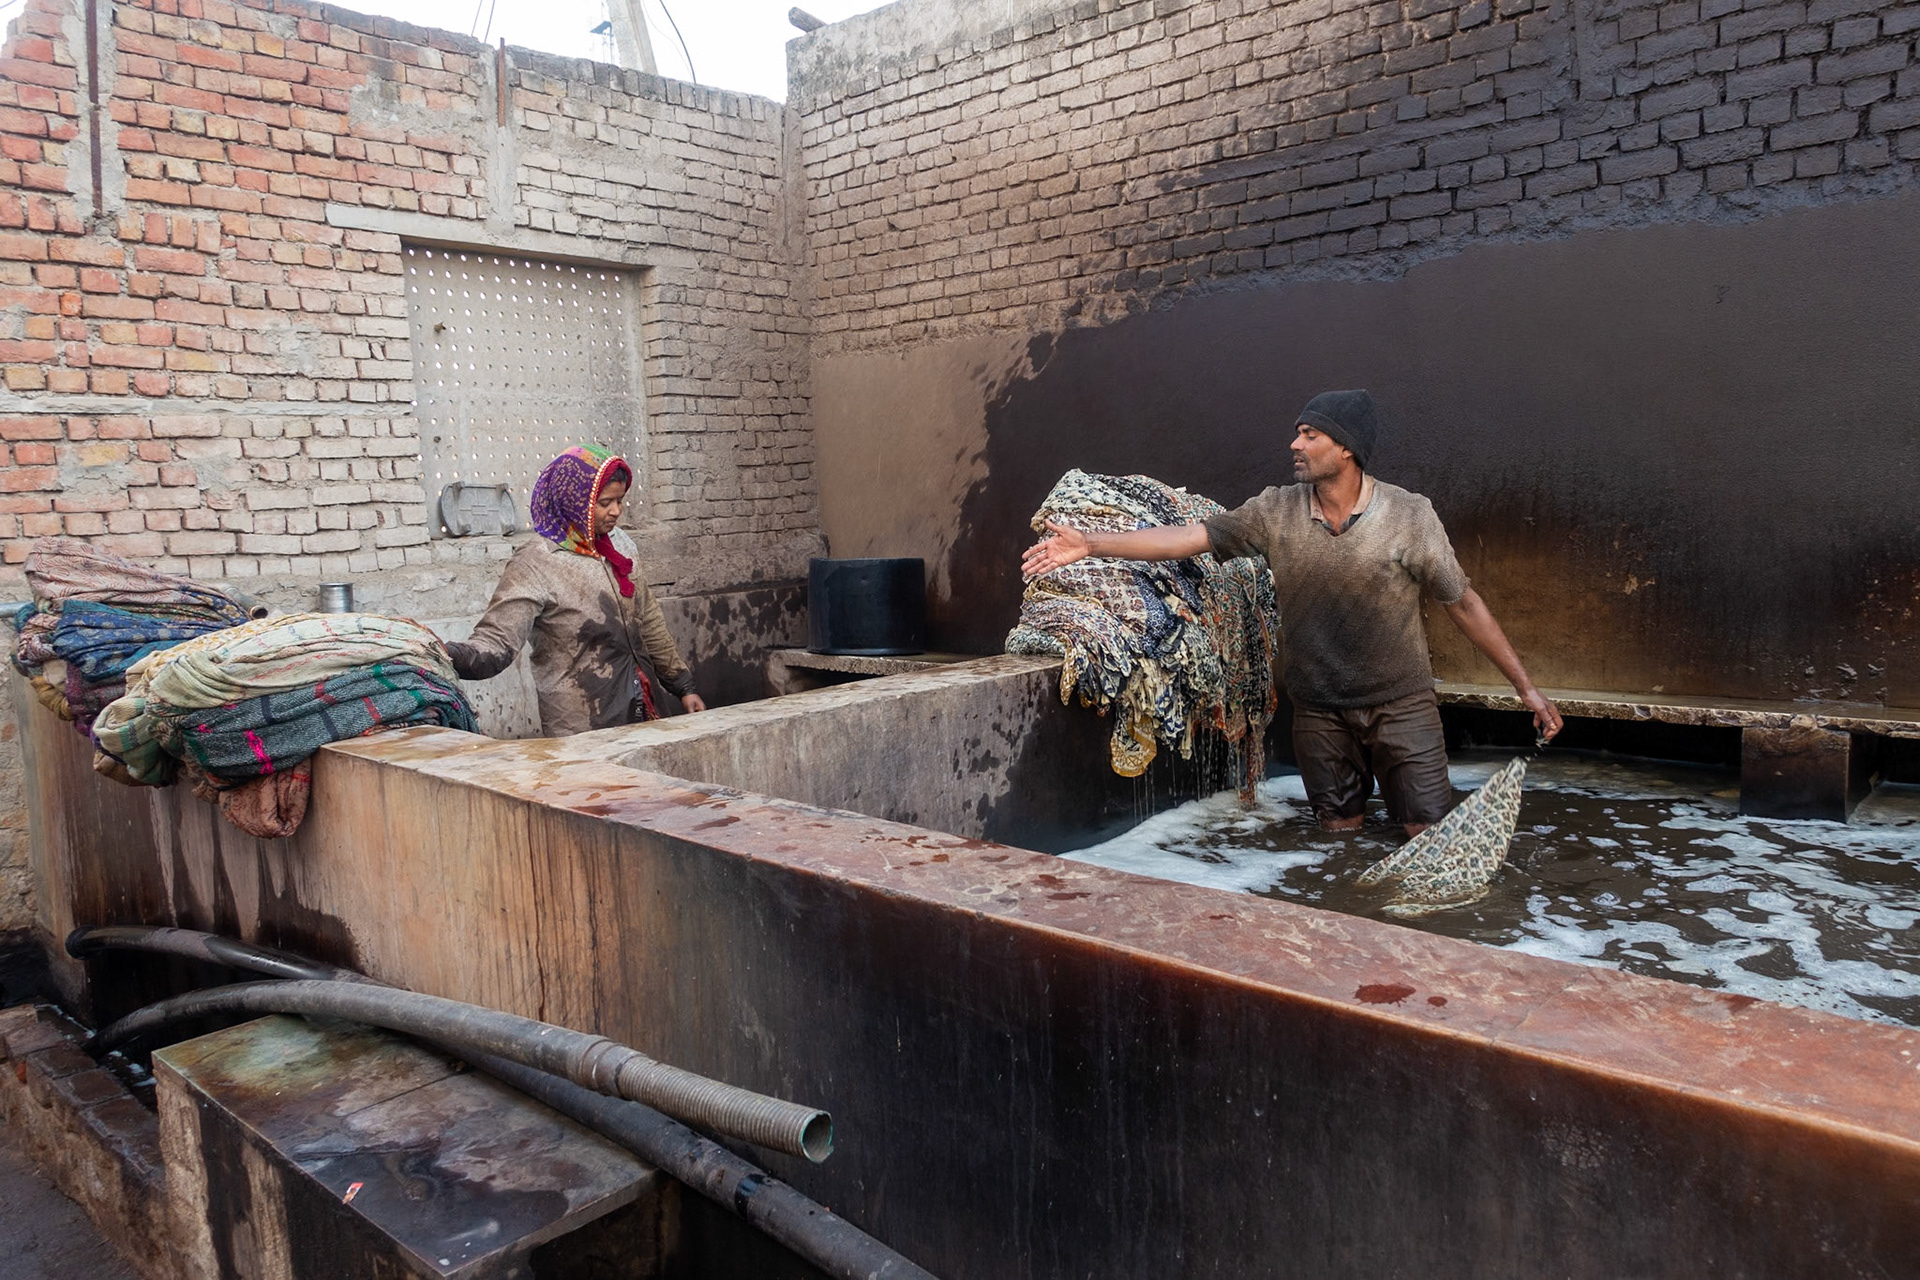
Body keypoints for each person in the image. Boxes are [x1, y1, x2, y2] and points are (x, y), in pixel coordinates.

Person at [1020, 390, 1561, 837]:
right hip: (1320, 714)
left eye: (1310, 435)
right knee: (1338, 838)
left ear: (1346, 449)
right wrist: (1091, 543)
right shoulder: (1274, 510)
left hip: (1402, 709)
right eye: (1298, 433)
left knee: (1426, 835)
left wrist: (1525, 689)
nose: (1295, 444)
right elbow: (1190, 538)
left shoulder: (1408, 516)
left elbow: (1463, 603)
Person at [445, 444, 707, 735]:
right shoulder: (537, 561)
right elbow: (496, 644)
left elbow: (648, 622)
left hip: (642, 708)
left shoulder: (620, 546)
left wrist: (683, 685)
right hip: (583, 724)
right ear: (574, 502)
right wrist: (443, 654)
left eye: (620, 501)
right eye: (606, 502)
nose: (616, 511)